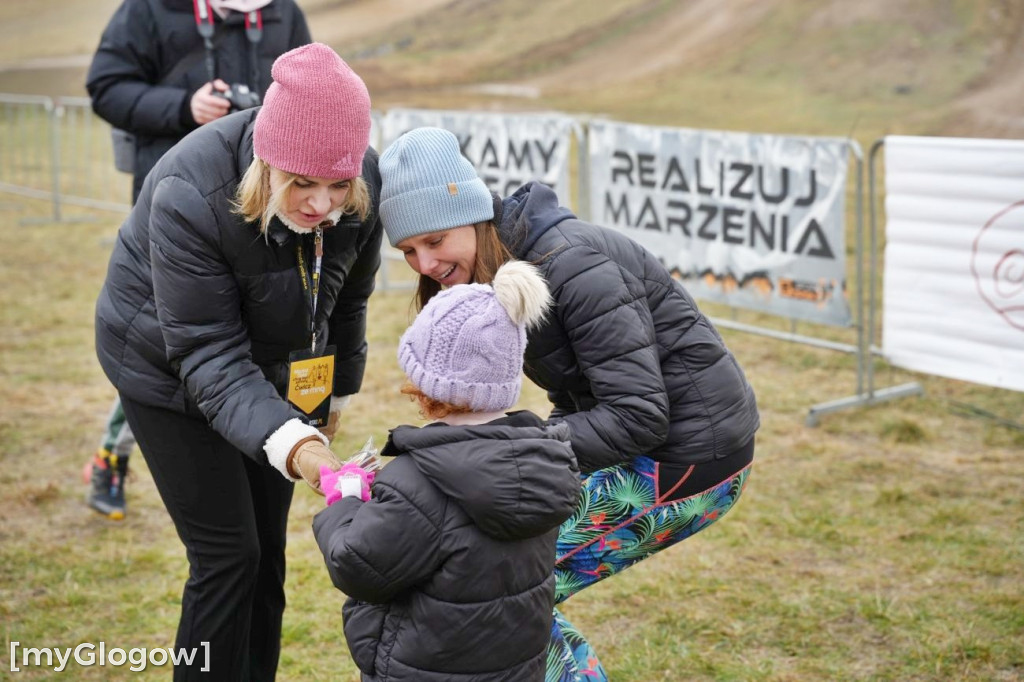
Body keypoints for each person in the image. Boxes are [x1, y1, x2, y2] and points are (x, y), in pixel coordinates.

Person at [377, 126, 760, 676]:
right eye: (408, 250)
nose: (424, 264)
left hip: (691, 456)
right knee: (480, 579)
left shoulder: (572, 265)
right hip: (650, 446)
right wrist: (522, 462)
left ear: (476, 213)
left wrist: (512, 453)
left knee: (499, 583)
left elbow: (638, 416)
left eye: (435, 241)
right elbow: (574, 398)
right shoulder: (509, 270)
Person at [94, 43, 381, 681]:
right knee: (228, 556)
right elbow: (206, 352)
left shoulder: (365, 185)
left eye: (339, 184)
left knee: (266, 556)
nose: (322, 205)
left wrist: (330, 395)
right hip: (166, 368)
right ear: (266, 162)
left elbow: (345, 298)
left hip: (272, 369)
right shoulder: (189, 192)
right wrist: (298, 446)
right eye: (302, 183)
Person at [84, 0, 311, 519]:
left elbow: (305, 86)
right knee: (172, 347)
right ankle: (109, 459)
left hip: (265, 207)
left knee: (243, 350)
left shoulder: (282, 11)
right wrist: (185, 109)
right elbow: (107, 86)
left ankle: (243, 464)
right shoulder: (148, 9)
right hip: (175, 207)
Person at [312, 261, 582, 681]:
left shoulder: (420, 481)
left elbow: (358, 565)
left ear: (427, 387)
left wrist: (345, 498)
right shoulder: (543, 461)